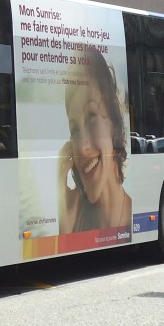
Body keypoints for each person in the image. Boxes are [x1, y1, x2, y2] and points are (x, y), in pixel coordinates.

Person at [59, 48, 133, 234]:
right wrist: (65, 229)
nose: (82, 148)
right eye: (74, 129)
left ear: (114, 124)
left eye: (91, 115)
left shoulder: (135, 214)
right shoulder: (75, 219)